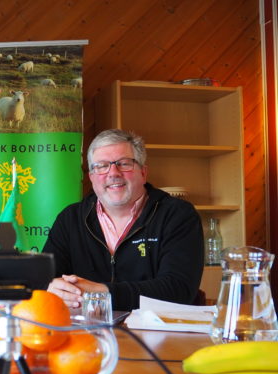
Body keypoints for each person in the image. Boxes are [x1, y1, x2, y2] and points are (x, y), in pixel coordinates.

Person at [43, 128, 204, 311]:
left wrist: (103, 293)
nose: (113, 173)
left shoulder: (177, 215)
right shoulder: (69, 219)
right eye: (102, 166)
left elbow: (179, 290)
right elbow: (43, 279)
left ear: (143, 173)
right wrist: (55, 288)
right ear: (92, 177)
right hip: (86, 330)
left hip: (159, 335)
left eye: (124, 163)